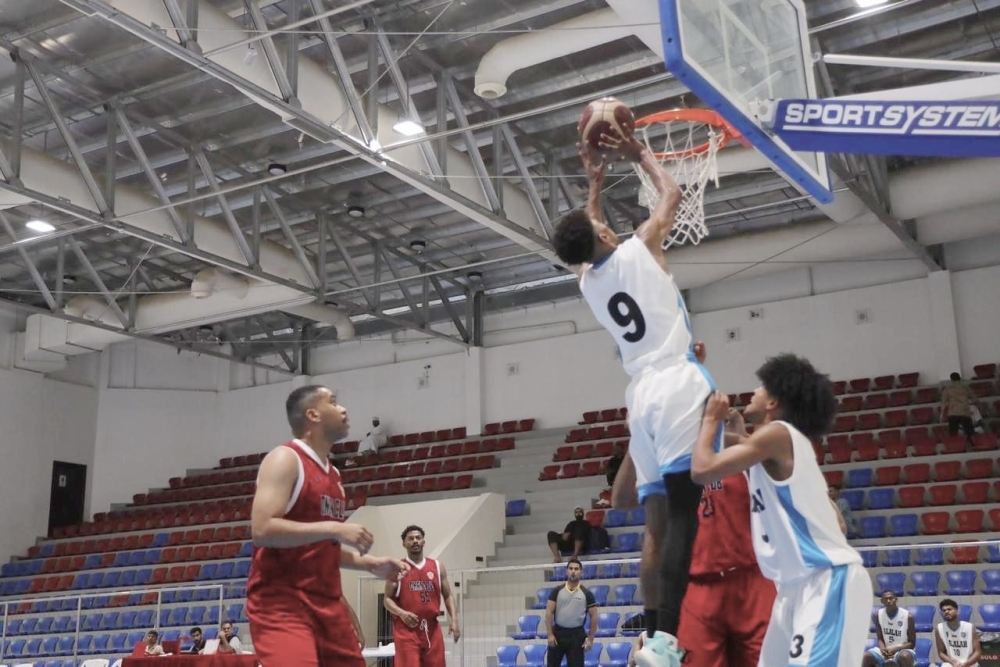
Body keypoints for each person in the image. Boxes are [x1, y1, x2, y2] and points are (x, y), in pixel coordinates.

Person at [551, 123, 711, 667]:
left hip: (638, 396)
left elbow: (582, 239)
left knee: (656, 524)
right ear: (602, 237)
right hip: (674, 380)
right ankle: (666, 639)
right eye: (601, 223)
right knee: (685, 511)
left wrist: (593, 185)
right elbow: (672, 194)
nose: (606, 224)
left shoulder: (588, 282)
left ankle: (651, 638)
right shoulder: (640, 248)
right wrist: (637, 152)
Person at [691, 354, 871, 667]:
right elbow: (838, 524)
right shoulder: (779, 445)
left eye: (761, 387)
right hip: (792, 587)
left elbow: (703, 469)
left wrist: (709, 420)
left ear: (774, 401)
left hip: (826, 580)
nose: (753, 392)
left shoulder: (779, 436)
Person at [247, 384, 409, 667]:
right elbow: (262, 529)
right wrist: (333, 528)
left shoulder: (334, 475)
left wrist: (368, 563)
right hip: (282, 604)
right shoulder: (285, 459)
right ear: (313, 414)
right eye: (333, 402)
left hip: (327, 603)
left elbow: (321, 548)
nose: (343, 409)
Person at [612, 403, 776, 667]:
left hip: (749, 580)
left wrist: (733, 431)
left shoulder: (731, 449)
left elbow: (766, 452)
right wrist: (638, 440)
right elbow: (620, 498)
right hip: (697, 591)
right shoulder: (665, 465)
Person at [384, 525, 460, 667]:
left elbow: (448, 594)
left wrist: (454, 620)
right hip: (407, 630)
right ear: (404, 544)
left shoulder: (437, 566)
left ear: (423, 541)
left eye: (418, 538)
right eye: (411, 538)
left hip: (431, 628)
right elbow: (387, 599)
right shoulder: (397, 569)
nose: (415, 541)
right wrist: (401, 613)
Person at [545, 557, 598, 667]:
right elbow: (549, 612)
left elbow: (594, 616)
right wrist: (550, 634)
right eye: (570, 568)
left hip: (577, 636)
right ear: (566, 571)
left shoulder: (587, 593)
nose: (573, 571)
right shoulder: (557, 591)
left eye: (576, 569)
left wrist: (591, 639)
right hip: (558, 634)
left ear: (581, 572)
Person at [863, 590, 915, 667]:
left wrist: (895, 649)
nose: (888, 601)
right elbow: (880, 637)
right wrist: (883, 649)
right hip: (886, 650)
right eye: (885, 599)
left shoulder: (908, 616)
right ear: (882, 601)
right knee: (866, 656)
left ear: (896, 599)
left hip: (902, 650)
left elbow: (912, 643)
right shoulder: (878, 615)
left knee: (905, 656)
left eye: (891, 598)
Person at [935, 598, 981, 667]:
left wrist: (966, 664)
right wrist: (953, 663)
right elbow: (941, 653)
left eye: (949, 609)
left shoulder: (970, 627)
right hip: (951, 663)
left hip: (969, 663)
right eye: (944, 610)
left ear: (957, 611)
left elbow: (978, 652)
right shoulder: (939, 628)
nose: (946, 612)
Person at [941, 373, 978, 438]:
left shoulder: (947, 389)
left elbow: (944, 403)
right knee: (970, 433)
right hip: (965, 412)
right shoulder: (966, 388)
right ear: (960, 379)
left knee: (953, 434)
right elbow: (975, 399)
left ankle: (956, 446)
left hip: (953, 413)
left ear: (951, 380)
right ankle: (971, 445)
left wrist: (942, 415)